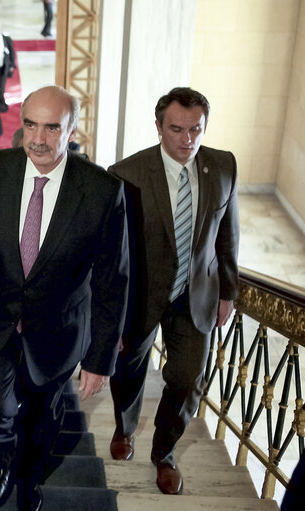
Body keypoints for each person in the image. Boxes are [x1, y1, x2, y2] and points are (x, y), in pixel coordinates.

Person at [0, 86, 129, 511]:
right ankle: (0, 456)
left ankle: (31, 480)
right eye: (31, 123)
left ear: (73, 129)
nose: (38, 137)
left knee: (42, 415)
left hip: (58, 328)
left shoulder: (103, 191)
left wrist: (99, 360)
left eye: (53, 127)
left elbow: (114, 281)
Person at [108, 87, 239, 496]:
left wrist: (228, 292)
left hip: (195, 294)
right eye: (177, 129)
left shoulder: (222, 166)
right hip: (141, 297)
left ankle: (163, 454)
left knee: (187, 379)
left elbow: (228, 235)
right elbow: (114, 252)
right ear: (159, 127)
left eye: (195, 129)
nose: (187, 139)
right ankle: (124, 427)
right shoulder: (126, 173)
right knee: (128, 370)